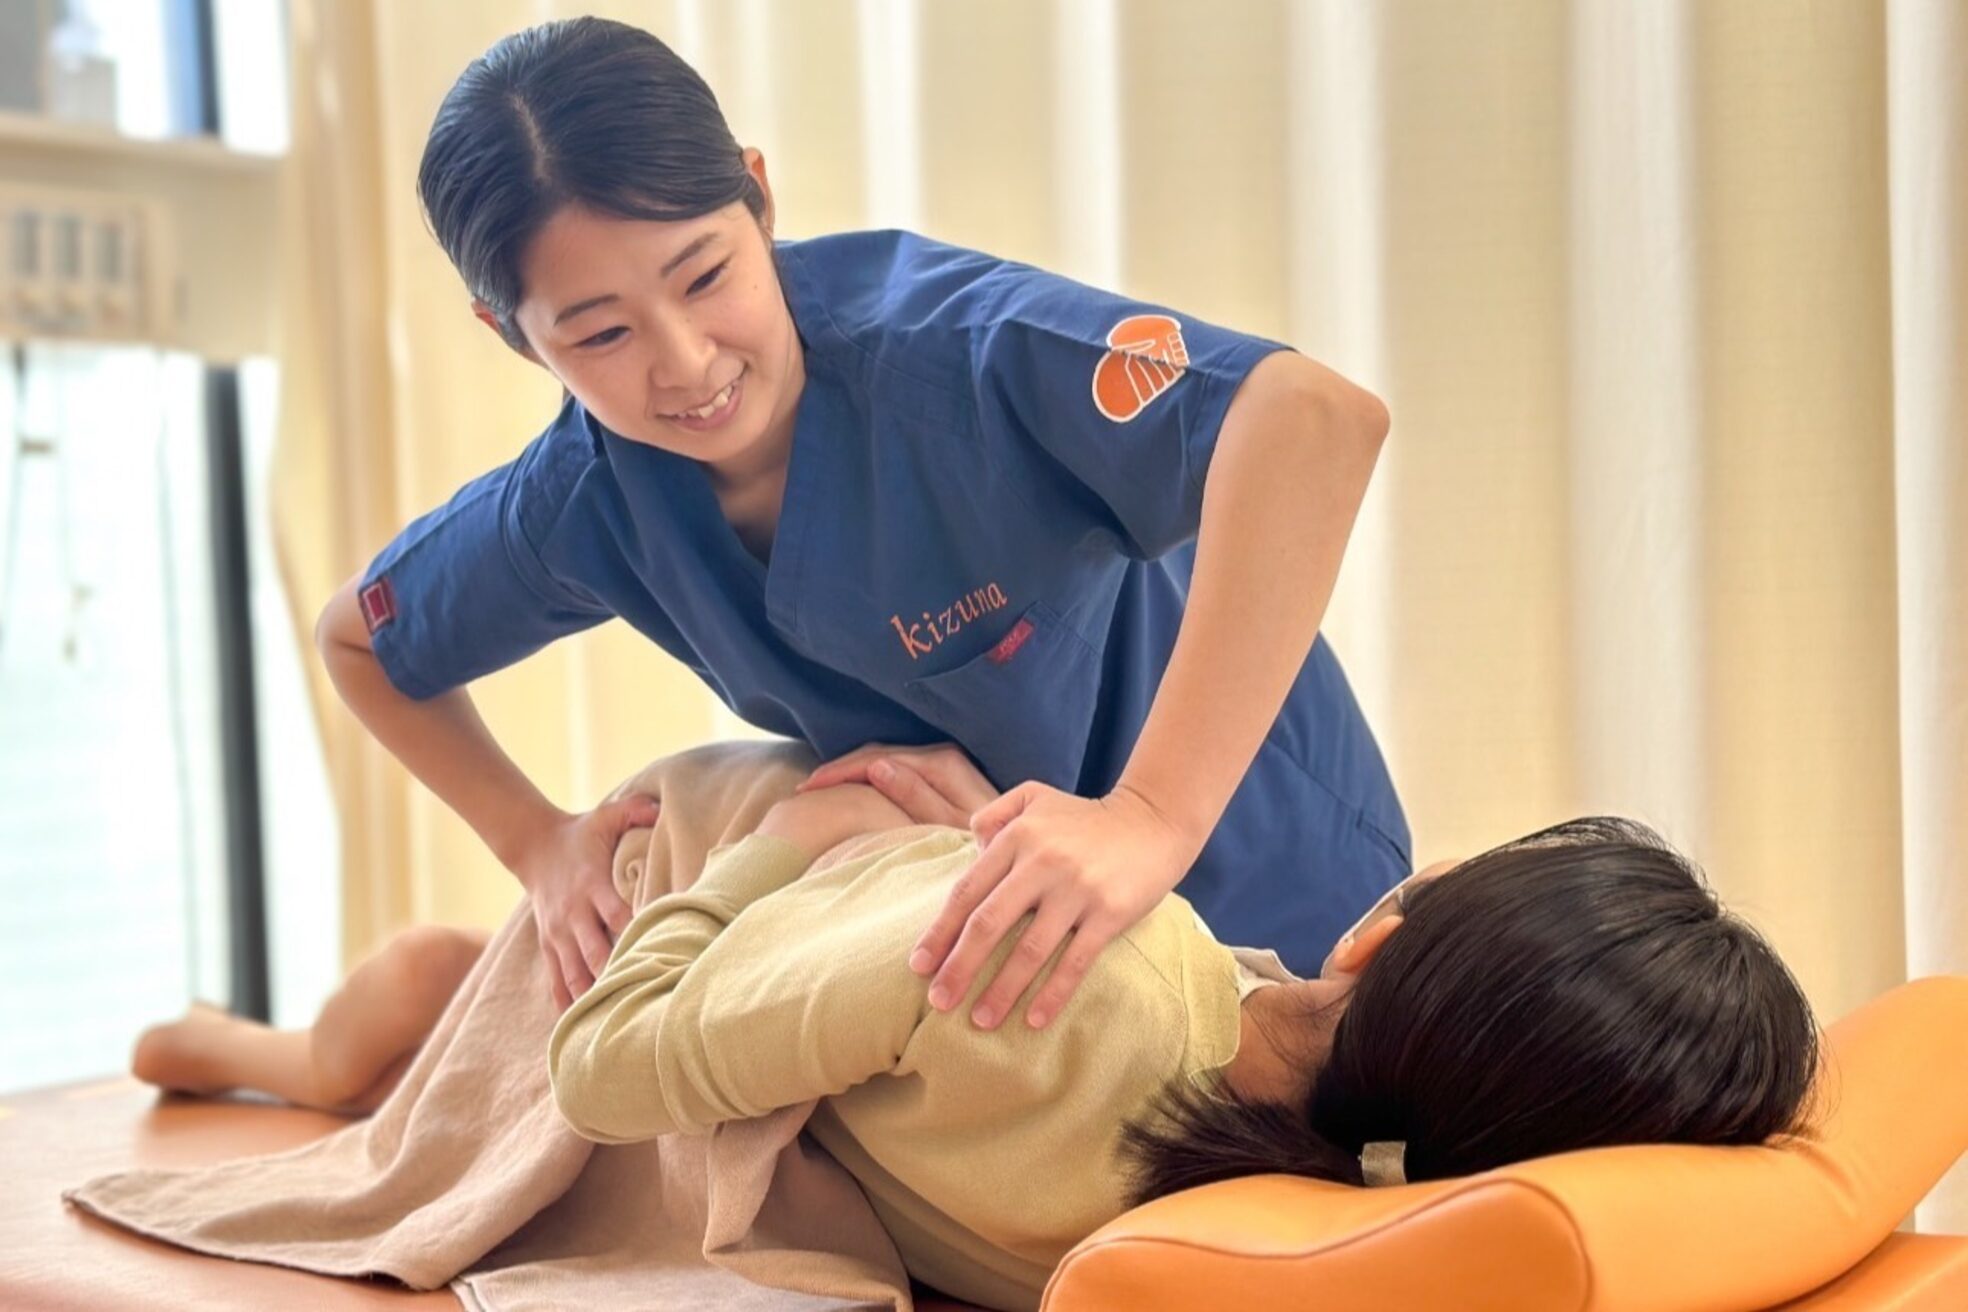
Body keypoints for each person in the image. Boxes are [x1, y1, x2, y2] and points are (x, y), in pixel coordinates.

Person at [311, 14, 1410, 1027]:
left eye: (705, 276)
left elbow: (1313, 419)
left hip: (1268, 888)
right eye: (601, 335)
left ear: (758, 198)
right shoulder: (584, 498)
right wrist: (537, 846)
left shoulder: (953, 354)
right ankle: (388, 1019)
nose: (685, 363)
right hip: (983, 943)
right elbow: (360, 641)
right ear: (514, 336)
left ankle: (419, 1004)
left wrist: (1151, 816)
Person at [131, 745, 1818, 1311]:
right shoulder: (1312, 1194)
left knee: (417, 1050)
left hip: (705, 896)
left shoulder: (1067, 967)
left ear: (1384, 934)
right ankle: (408, 1012)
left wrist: (795, 847)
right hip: (849, 997)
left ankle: (308, 1052)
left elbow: (605, 1064)